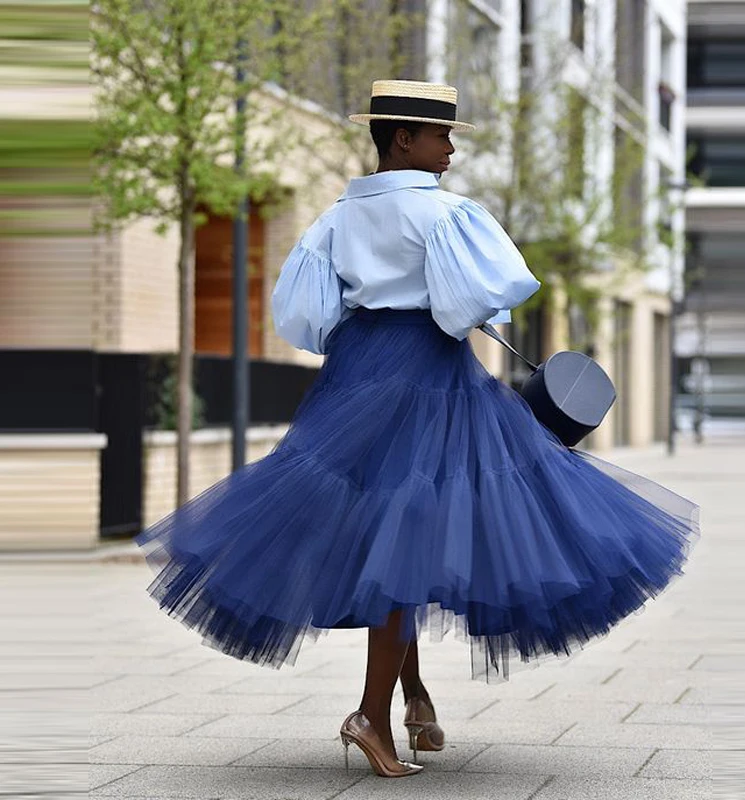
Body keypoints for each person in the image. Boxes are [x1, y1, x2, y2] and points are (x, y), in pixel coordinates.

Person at [136, 80, 699, 779]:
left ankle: (416, 698)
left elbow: (307, 318)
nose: (453, 149)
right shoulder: (446, 213)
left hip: (354, 373)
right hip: (428, 377)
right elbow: (477, 300)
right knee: (417, 527)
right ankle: (370, 716)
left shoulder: (335, 217)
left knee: (399, 533)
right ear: (403, 138)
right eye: (443, 136)